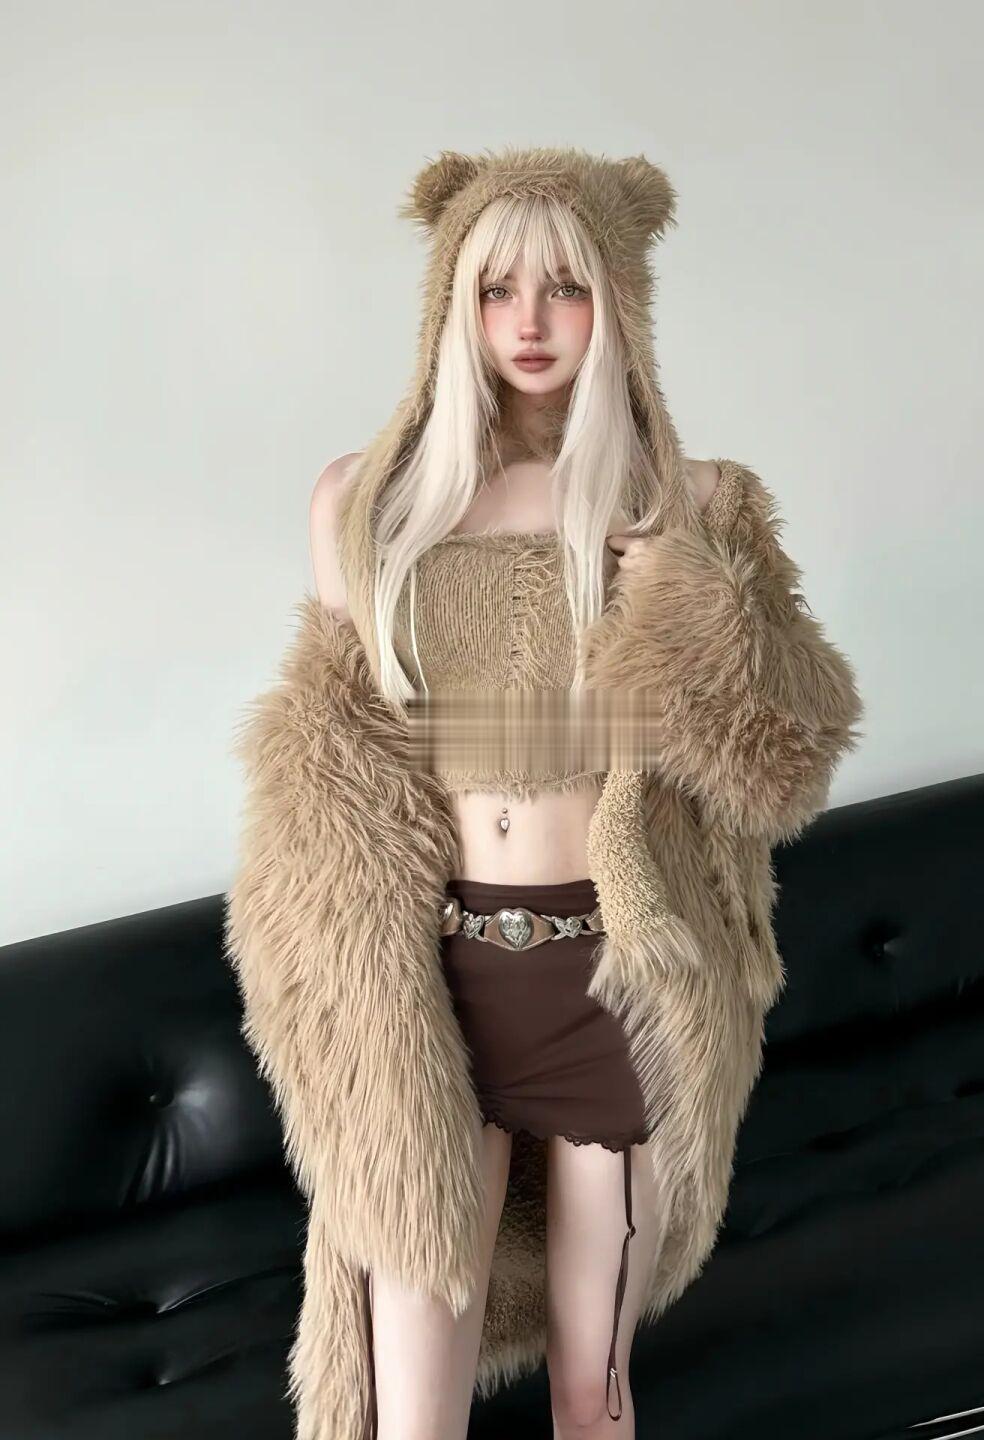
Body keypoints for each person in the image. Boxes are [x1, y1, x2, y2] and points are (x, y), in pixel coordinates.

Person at [225, 145, 865, 1440]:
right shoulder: (370, 504)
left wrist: (684, 588)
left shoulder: (689, 502)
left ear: (617, 300)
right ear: (449, 307)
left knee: (593, 1394)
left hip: (612, 986)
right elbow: (343, 777)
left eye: (565, 286)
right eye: (494, 288)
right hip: (432, 990)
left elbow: (782, 764)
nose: (528, 320)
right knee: (410, 1417)